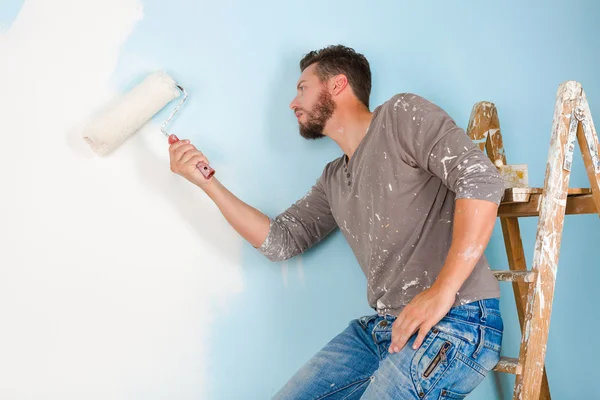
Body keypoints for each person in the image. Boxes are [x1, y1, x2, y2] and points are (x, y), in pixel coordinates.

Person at [168, 45, 506, 399]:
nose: (292, 103)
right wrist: (206, 182)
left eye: (302, 88)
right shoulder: (333, 179)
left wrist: (442, 291)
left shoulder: (401, 116)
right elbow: (281, 240)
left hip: (457, 320)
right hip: (386, 328)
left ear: (338, 84)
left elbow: (480, 179)